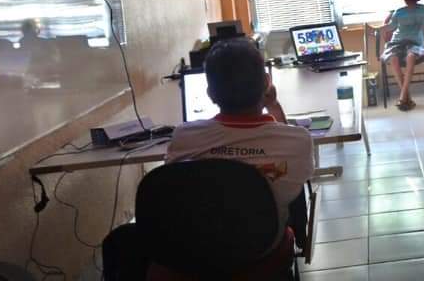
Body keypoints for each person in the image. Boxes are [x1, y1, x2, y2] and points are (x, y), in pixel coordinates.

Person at [104, 39, 314, 280]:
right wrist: (274, 106)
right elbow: (285, 145)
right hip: (260, 252)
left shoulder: (184, 136)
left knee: (122, 239)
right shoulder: (297, 140)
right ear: (267, 83)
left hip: (189, 253)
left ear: (210, 93)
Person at [380, 0, 424, 111]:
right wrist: (379, 29)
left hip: (415, 43)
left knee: (411, 57)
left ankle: (403, 96)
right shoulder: (399, 11)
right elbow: (391, 27)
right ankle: (407, 97)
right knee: (393, 58)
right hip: (397, 42)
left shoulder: (422, 10)